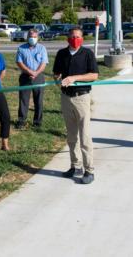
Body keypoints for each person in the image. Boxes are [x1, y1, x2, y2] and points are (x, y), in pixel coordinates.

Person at [53, 27, 99, 185]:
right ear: (67, 38)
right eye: (72, 36)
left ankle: (89, 170)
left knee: (84, 135)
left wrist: (74, 78)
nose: (75, 39)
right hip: (66, 98)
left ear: (82, 39)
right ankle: (75, 165)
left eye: (78, 37)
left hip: (82, 97)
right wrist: (57, 78)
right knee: (71, 136)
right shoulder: (61, 54)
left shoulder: (87, 54)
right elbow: (56, 73)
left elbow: (94, 75)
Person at [15, 28, 48, 129]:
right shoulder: (21, 48)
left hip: (39, 77)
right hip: (25, 77)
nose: (32, 38)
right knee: (23, 100)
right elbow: (19, 62)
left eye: (34, 37)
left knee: (38, 100)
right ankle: (21, 121)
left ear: (37, 37)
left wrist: (36, 73)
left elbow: (44, 63)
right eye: (30, 37)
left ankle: (37, 122)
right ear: (27, 37)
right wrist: (30, 72)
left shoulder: (42, 48)